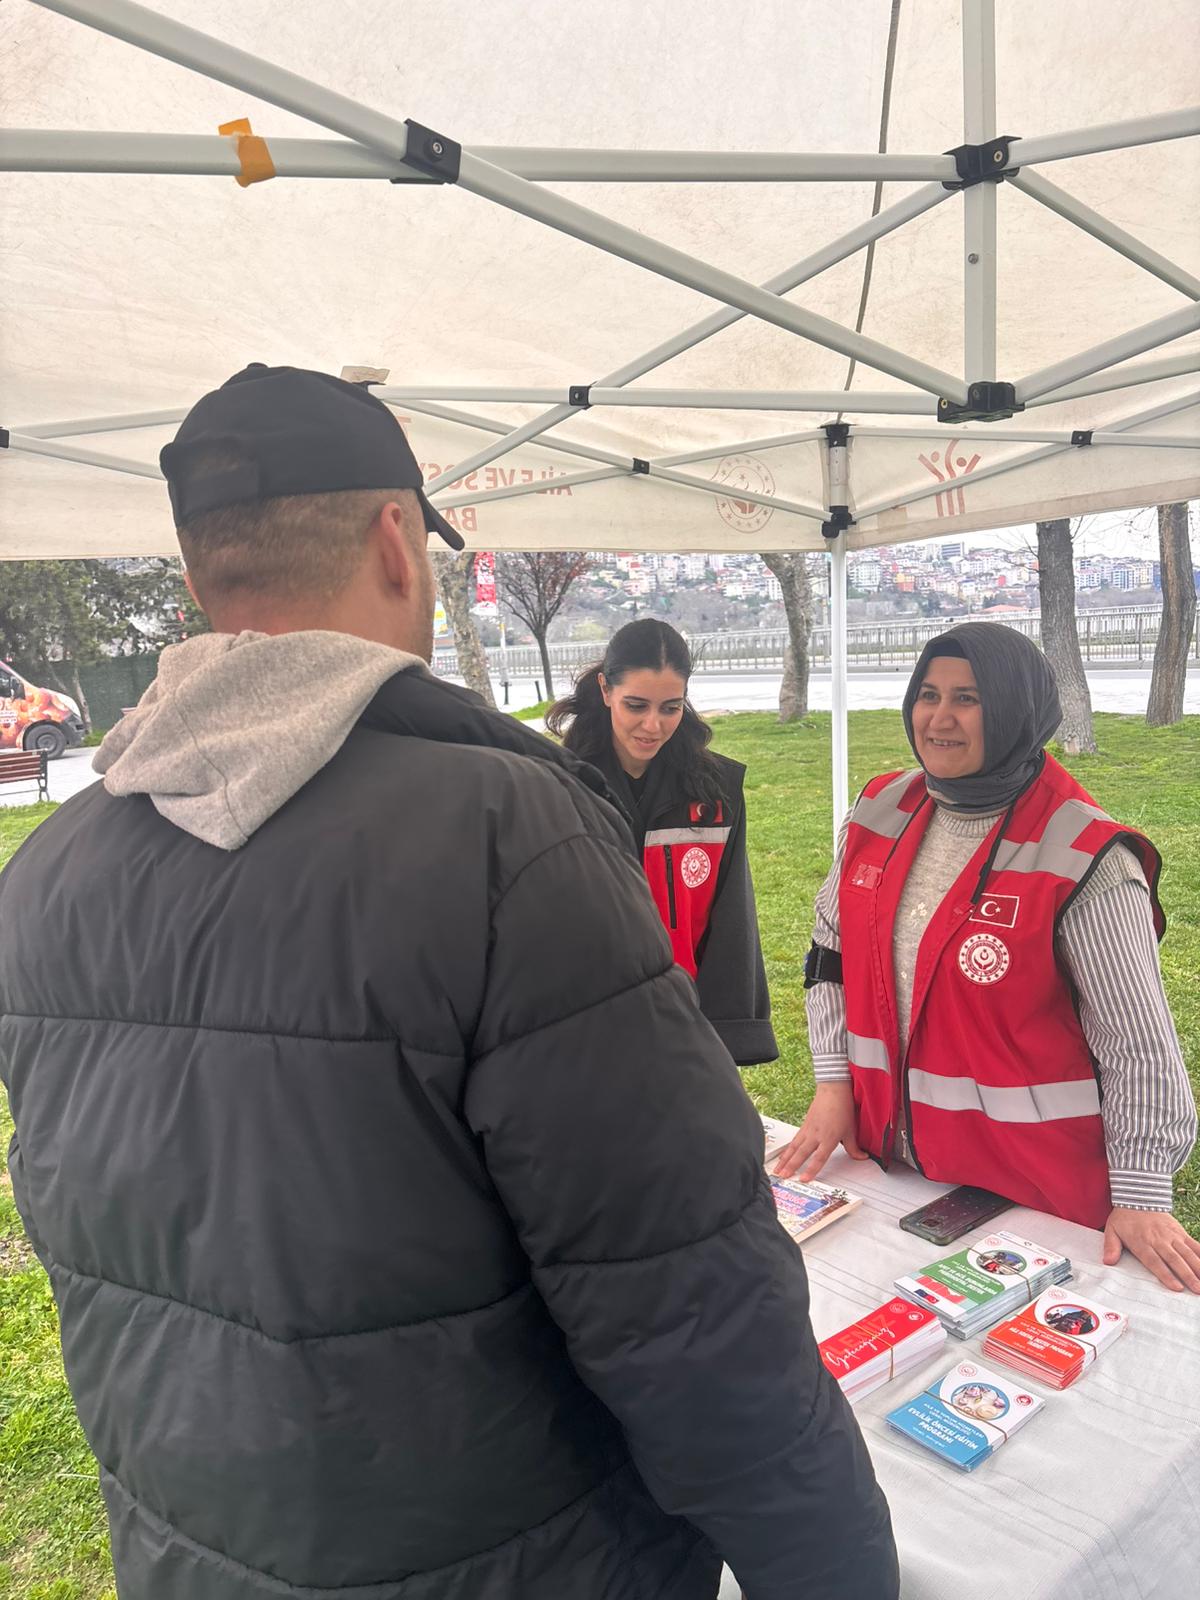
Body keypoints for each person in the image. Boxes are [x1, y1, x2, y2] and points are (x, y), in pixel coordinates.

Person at [0, 365, 898, 1600]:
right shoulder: (507, 835)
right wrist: (835, 1571)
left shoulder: (48, 872)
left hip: (196, 1545)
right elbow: (687, 1301)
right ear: (395, 541)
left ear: (202, 571)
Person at [776, 621, 1199, 1294]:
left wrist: (1144, 1194)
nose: (939, 718)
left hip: (1037, 1198)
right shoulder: (882, 807)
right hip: (900, 1167)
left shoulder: (1085, 855)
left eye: (968, 698)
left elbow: (1137, 1044)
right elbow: (830, 956)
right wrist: (834, 1084)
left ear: (1014, 711)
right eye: (928, 694)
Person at [547, 619, 777, 1065]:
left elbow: (732, 922)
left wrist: (729, 1037)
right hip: (581, 1028)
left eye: (670, 708)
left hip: (682, 1025)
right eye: (636, 705)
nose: (652, 725)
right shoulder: (555, 785)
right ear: (605, 689)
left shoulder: (718, 792)